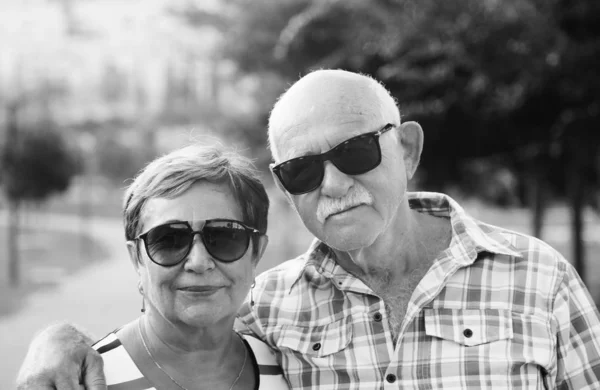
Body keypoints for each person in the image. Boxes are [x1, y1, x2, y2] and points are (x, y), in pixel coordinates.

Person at [17, 70, 600, 389]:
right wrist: (58, 340)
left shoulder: (540, 279)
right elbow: (173, 330)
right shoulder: (268, 306)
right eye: (300, 169)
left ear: (408, 148)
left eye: (353, 152)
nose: (333, 185)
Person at [17, 143, 290, 390]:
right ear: (136, 258)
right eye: (169, 239)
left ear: (256, 253)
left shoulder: (289, 367)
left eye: (225, 236)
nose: (198, 262)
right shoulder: (82, 382)